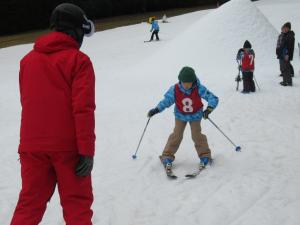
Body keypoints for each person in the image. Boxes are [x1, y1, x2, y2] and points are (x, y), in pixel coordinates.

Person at [10, 3, 96, 225]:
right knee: (77, 205)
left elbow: (28, 102)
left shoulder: (27, 61)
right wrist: (86, 151)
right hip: (68, 148)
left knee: (29, 205)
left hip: (32, 147)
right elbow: (83, 109)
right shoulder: (79, 61)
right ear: (76, 30)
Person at [147, 67, 218, 169]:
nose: (186, 85)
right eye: (184, 82)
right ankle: (167, 155)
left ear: (193, 81)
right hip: (180, 115)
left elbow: (212, 98)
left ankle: (205, 155)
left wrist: (209, 109)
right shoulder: (175, 89)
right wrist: (156, 109)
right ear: (180, 81)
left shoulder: (199, 88)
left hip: (195, 116)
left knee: (196, 135)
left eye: (189, 83)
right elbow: (167, 100)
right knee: (177, 134)